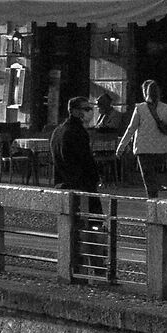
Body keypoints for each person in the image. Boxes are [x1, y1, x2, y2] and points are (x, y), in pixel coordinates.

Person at [51, 95, 103, 272]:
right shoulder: (77, 132)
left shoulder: (58, 131)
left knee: (72, 231)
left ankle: (74, 269)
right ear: (75, 111)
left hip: (64, 186)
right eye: (86, 109)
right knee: (92, 229)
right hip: (82, 189)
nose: (90, 112)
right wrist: (95, 178)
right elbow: (85, 161)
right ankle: (98, 268)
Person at [116, 79, 167, 199]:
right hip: (162, 149)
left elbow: (131, 129)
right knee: (155, 174)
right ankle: (156, 195)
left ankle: (152, 199)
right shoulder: (166, 108)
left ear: (146, 93)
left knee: (148, 177)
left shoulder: (140, 108)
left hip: (143, 149)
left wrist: (121, 146)